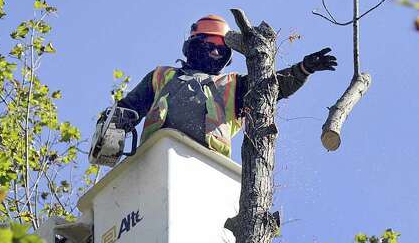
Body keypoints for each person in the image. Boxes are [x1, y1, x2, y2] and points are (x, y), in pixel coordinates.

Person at [114, 14, 337, 158]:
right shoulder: (162, 76)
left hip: (209, 163)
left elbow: (271, 86)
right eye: (210, 45)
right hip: (156, 157)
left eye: (222, 49)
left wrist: (302, 70)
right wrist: (112, 127)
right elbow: (129, 108)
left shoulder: (232, 86)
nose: (215, 52)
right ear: (194, 44)